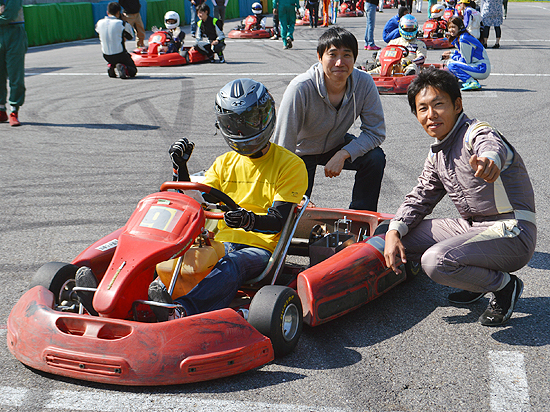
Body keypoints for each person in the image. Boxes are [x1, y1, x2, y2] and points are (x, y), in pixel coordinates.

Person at [383, 67, 536, 327]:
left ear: (457, 105)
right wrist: (393, 232)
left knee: (435, 261)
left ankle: (504, 285)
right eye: (422, 109)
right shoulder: (437, 154)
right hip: (473, 227)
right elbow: (420, 196)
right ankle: (474, 278)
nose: (431, 115)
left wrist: (490, 161)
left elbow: (490, 145)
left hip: (512, 231)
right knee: (397, 234)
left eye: (438, 104)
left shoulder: (474, 132)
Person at [146, 78, 308, 321]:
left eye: (249, 121)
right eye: (233, 123)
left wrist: (248, 220)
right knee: (179, 253)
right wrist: (180, 166)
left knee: (233, 263)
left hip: (260, 247)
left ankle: (183, 311)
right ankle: (140, 297)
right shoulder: (224, 162)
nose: (241, 131)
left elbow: (278, 221)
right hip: (221, 241)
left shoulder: (291, 165)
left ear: (265, 117)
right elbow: (194, 199)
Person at [274, 27, 386, 211]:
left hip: (336, 144)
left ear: (354, 58)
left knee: (375, 158)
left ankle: (360, 216)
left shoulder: (365, 83)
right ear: (319, 57)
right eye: (332, 54)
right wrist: (288, 190)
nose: (340, 62)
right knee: (291, 214)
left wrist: (344, 154)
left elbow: (376, 132)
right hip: (300, 153)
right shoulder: (300, 87)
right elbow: (283, 143)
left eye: (347, 55)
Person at [441, 16, 490, 90]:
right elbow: (465, 55)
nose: (451, 30)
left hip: (481, 68)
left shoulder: (463, 39)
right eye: (449, 27)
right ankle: (472, 80)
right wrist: (452, 53)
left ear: (460, 27)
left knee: (451, 64)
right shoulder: (463, 36)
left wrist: (451, 55)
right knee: (451, 62)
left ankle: (472, 82)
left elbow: (466, 60)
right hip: (479, 66)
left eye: (454, 27)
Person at [0, 0, 27, 127]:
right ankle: (1, 109)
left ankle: (14, 110)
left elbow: (8, 15)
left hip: (15, 35)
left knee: (16, 75)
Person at [95, 2, 138, 79]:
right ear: (118, 12)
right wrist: (125, 21)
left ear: (107, 12)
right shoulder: (122, 23)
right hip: (120, 54)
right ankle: (124, 67)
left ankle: (111, 65)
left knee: (113, 58)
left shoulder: (99, 23)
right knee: (133, 71)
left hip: (106, 55)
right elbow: (130, 36)